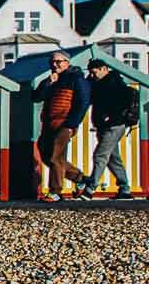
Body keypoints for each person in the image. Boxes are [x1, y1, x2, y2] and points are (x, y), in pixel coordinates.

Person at [29, 50, 91, 202]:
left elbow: (82, 102)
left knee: (56, 157)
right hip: (49, 123)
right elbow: (36, 97)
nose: (55, 64)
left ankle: (55, 191)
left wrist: (72, 124)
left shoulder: (76, 78)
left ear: (67, 62)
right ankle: (80, 178)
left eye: (58, 61)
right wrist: (47, 83)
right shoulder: (52, 79)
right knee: (45, 154)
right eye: (52, 62)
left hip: (64, 123)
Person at [81, 58, 139, 199]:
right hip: (105, 125)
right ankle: (124, 189)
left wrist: (111, 116)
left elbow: (120, 102)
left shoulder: (113, 83)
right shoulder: (100, 83)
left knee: (100, 155)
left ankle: (90, 188)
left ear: (104, 69)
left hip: (114, 125)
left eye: (94, 73)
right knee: (113, 158)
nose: (92, 76)